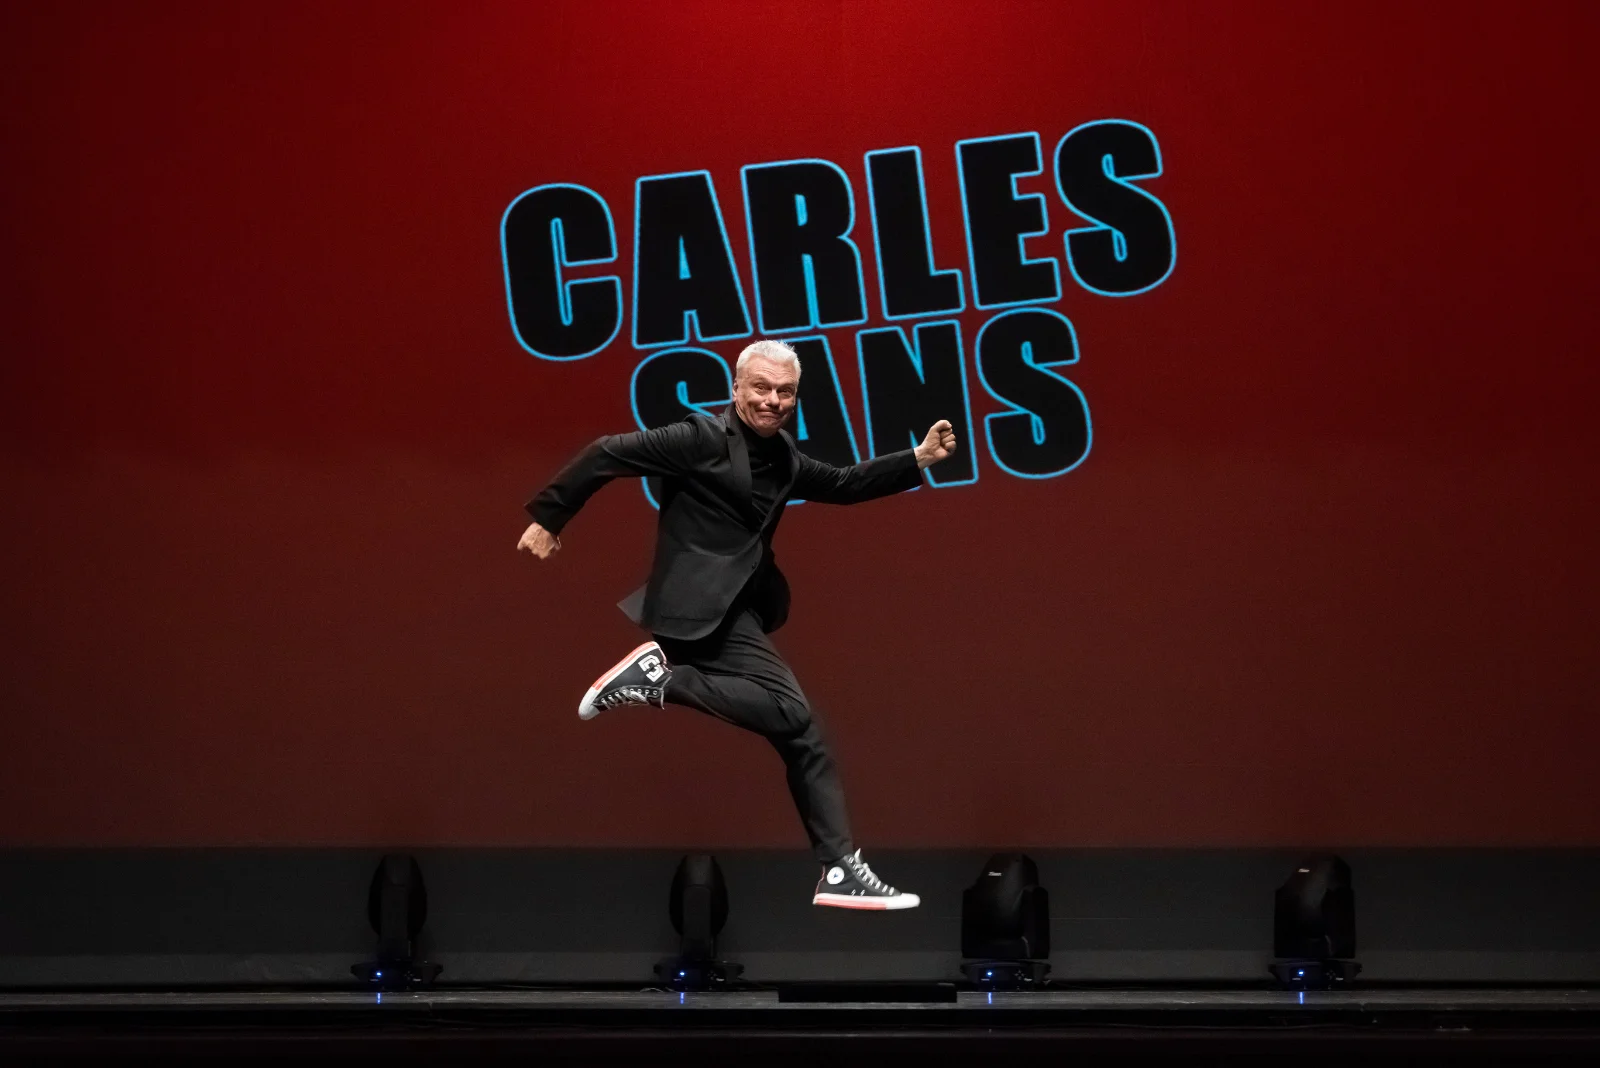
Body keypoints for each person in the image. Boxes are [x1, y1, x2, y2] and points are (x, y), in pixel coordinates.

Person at [517, 339, 957, 909]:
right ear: (736, 389)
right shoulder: (699, 438)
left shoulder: (785, 457)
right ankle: (663, 680)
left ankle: (838, 870)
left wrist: (917, 459)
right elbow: (606, 452)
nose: (773, 401)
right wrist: (549, 519)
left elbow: (843, 484)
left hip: (733, 610)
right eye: (761, 388)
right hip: (695, 608)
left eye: (785, 392)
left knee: (802, 733)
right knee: (795, 717)